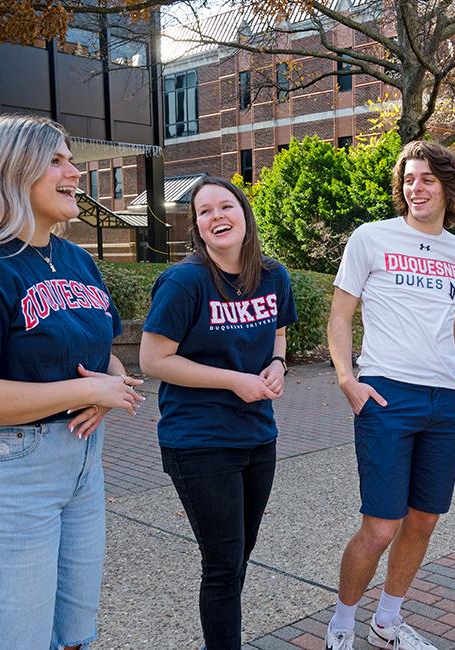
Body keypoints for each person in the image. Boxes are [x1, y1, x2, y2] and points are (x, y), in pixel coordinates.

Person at [0, 114, 145, 650]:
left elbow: (99, 355)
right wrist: (89, 391)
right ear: (10, 170)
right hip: (2, 474)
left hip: (81, 463)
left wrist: (109, 388)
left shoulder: (77, 260)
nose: (75, 172)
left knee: (74, 634)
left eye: (71, 159)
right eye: (57, 161)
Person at [324, 141, 455, 650]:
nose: (417, 188)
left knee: (425, 519)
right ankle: (342, 624)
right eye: (410, 179)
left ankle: (387, 621)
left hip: (443, 402)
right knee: (381, 526)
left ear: (448, 188)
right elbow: (340, 315)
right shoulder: (372, 238)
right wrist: (348, 379)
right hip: (386, 396)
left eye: (428, 179)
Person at [139, 177, 297, 648]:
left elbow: (279, 336)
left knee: (238, 558)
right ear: (198, 228)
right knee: (224, 564)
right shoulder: (185, 281)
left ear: (245, 215)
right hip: (200, 441)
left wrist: (276, 365)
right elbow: (152, 360)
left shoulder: (274, 276)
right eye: (204, 212)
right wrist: (234, 379)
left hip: (257, 437)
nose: (216, 216)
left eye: (225, 206)